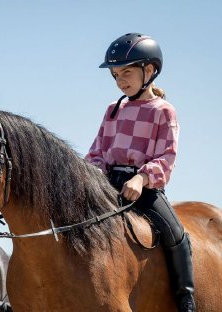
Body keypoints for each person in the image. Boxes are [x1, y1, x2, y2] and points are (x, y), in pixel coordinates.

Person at [85, 33, 195, 312]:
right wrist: (95, 174)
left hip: (143, 187)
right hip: (107, 184)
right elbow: (97, 150)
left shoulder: (163, 111)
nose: (121, 80)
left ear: (149, 70)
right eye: (115, 74)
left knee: (177, 235)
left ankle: (186, 298)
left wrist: (141, 178)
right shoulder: (113, 109)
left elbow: (166, 156)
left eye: (127, 72)